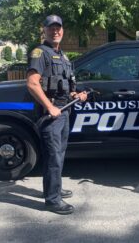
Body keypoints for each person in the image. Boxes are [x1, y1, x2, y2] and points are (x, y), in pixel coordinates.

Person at [27, 15, 87, 214]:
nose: (55, 31)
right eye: (51, 28)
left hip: (64, 110)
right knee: (53, 156)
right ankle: (53, 200)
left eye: (58, 28)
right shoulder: (40, 53)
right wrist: (49, 106)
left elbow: (65, 85)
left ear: (63, 30)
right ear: (43, 30)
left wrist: (75, 94)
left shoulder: (63, 56)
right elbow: (32, 83)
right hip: (51, 114)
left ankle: (55, 188)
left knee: (59, 155)